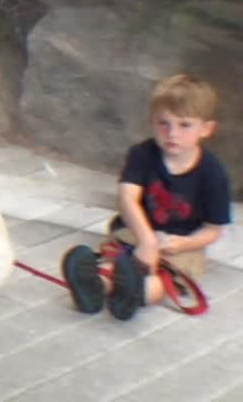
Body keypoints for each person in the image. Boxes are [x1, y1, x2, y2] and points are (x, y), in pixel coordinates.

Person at [63, 74, 231, 320]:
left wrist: (182, 244)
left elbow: (213, 230)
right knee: (116, 262)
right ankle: (94, 285)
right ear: (152, 122)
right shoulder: (142, 154)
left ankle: (134, 294)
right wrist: (147, 240)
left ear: (206, 129)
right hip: (136, 230)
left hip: (180, 243)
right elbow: (127, 198)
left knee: (163, 279)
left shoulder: (213, 173)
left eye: (184, 125)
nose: (172, 133)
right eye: (164, 123)